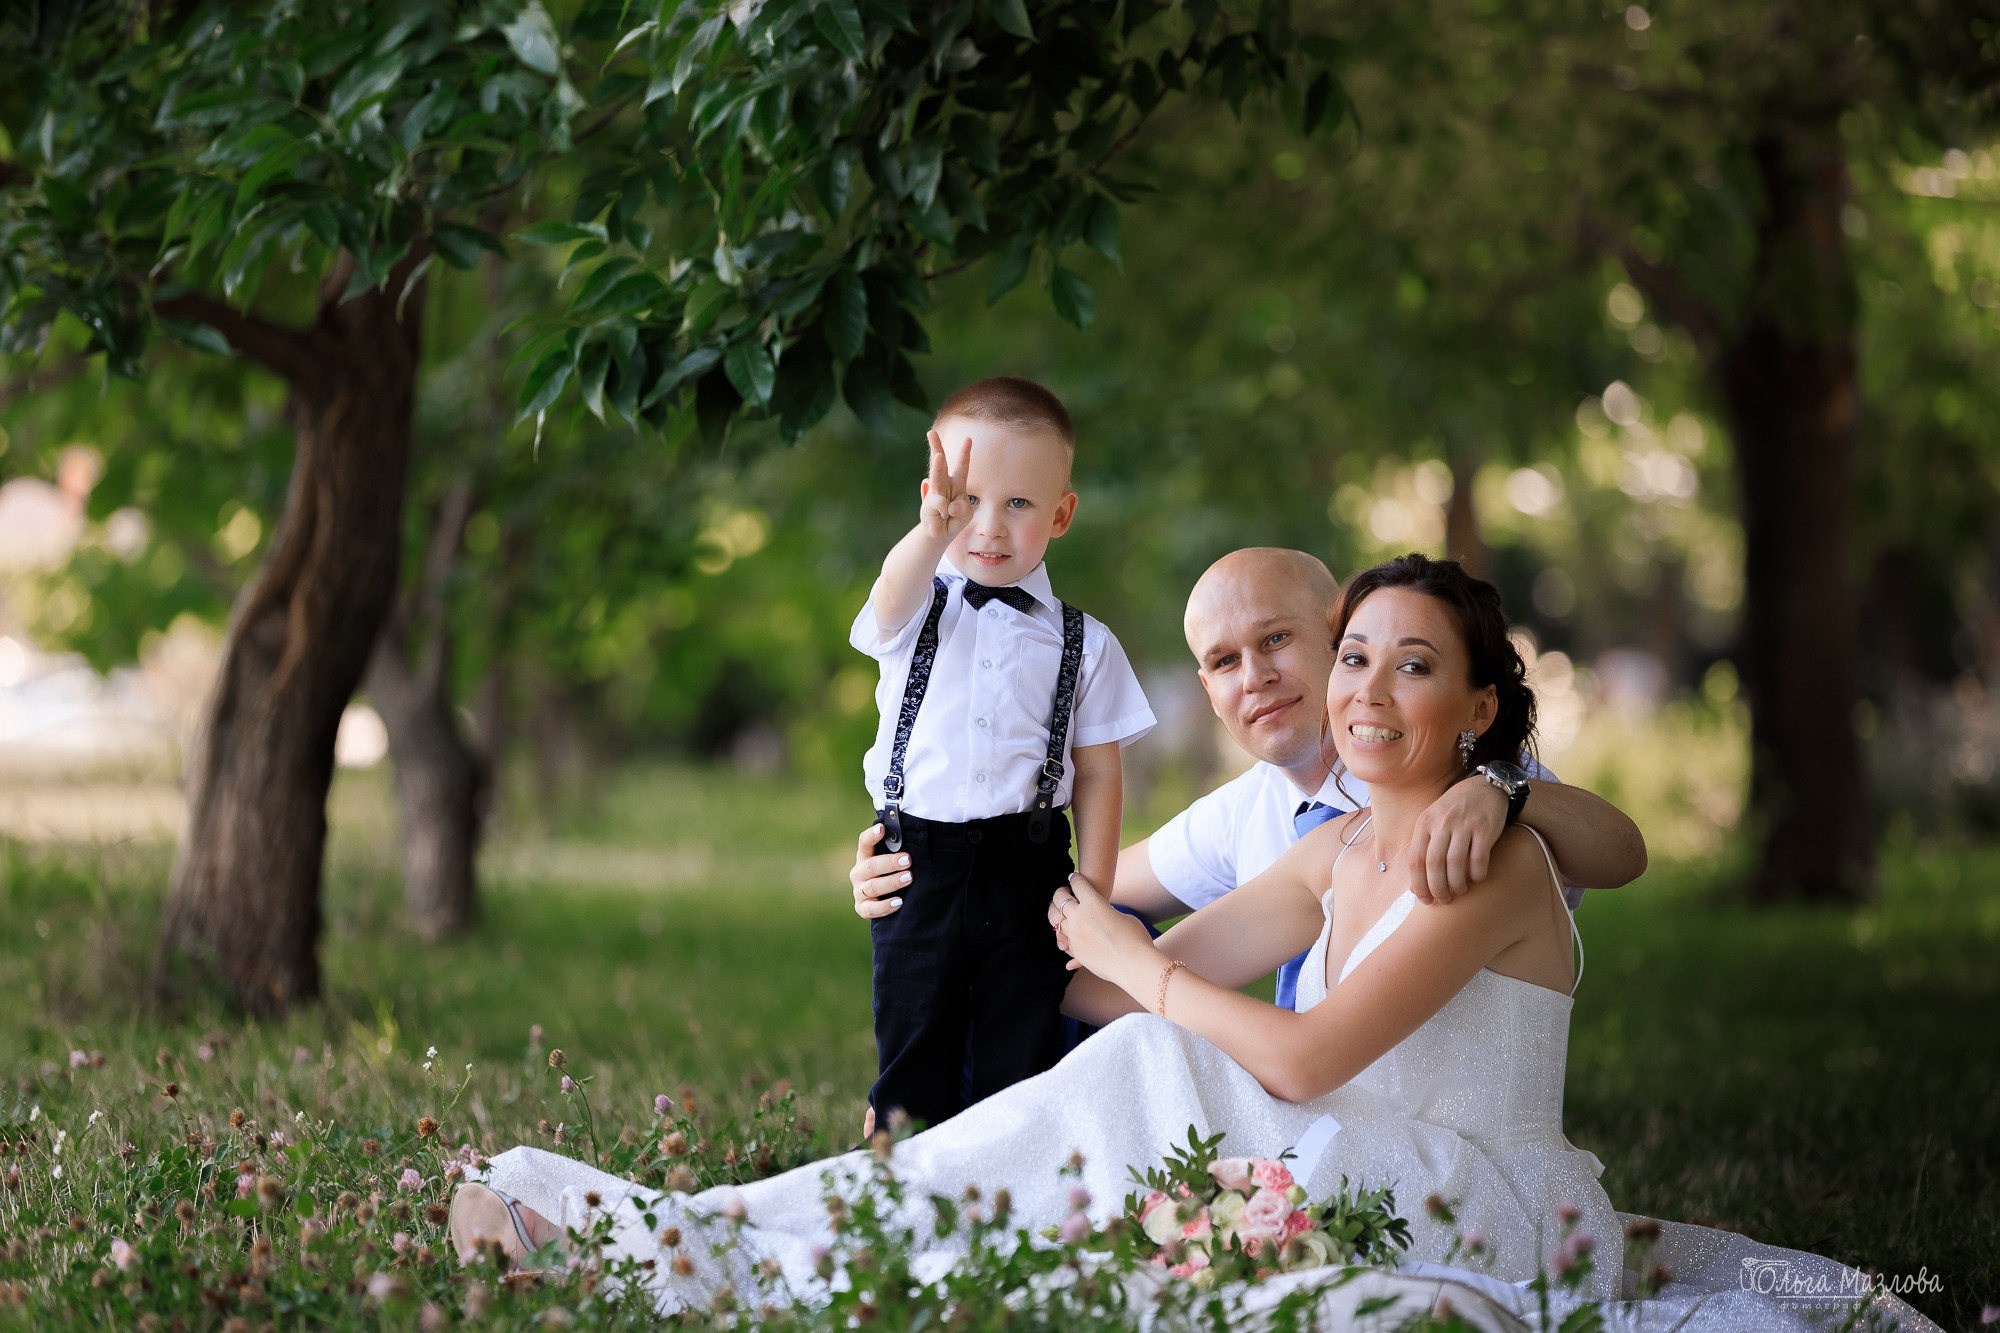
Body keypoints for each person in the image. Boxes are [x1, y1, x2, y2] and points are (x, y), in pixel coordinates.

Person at [457, 553, 1932, 1331]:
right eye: (1360, 656)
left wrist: (1153, 975)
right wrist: (926, 887)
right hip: (1326, 1149)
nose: (1362, 686)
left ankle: (730, 1262)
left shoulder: (1501, 846)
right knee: (1098, 1094)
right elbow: (1096, 967)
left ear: (1481, 705)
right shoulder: (1322, 839)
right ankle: (697, 1243)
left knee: (1161, 1061)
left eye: (1409, 665)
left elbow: (1303, 1043)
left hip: (1467, 1192)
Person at [851, 547, 1647, 1003]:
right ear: (1207, 689)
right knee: (1051, 970)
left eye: (1275, 640)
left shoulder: (1449, 772)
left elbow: (1622, 854)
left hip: (1414, 1116)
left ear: (1343, 633)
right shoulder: (1251, 813)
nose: (1254, 677)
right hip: (1299, 1094)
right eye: (1224, 661)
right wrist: (917, 876)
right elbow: (1076, 896)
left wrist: (1508, 788)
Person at [849, 376, 1155, 1133]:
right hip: (919, 865)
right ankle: (898, 1193)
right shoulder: (916, 609)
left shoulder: (1085, 643)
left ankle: (1013, 1191)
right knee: (914, 1038)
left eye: (1018, 503)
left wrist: (1096, 885)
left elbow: (1101, 769)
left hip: (1031, 868)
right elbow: (889, 591)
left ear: (1061, 513)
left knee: (1022, 1048)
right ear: (933, 497)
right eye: (964, 502)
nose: (986, 525)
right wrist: (928, 534)